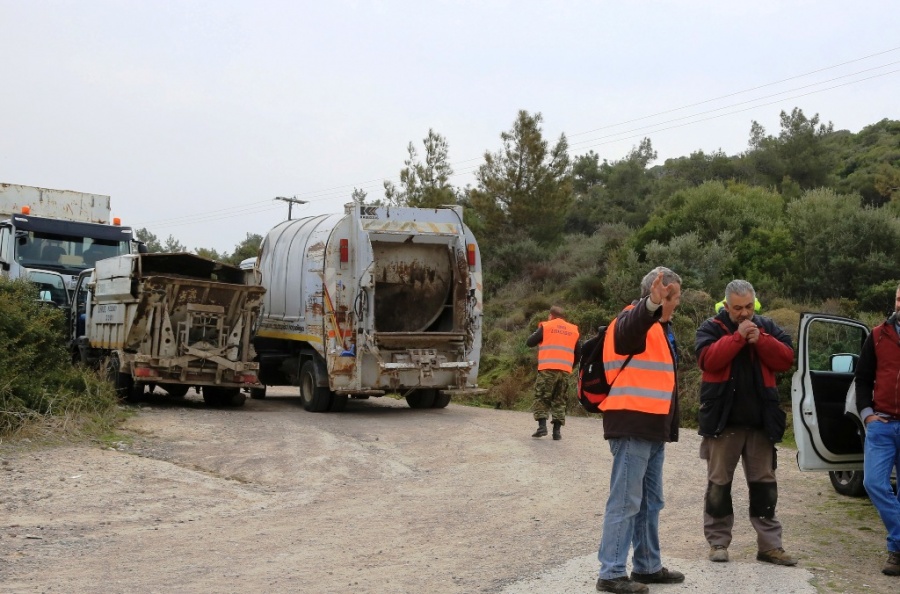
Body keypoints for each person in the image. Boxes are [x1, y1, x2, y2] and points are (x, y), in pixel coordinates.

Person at [596, 267, 685, 594]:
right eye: (672, 297)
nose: (676, 303)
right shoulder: (633, 319)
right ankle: (611, 572)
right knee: (625, 500)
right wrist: (651, 303)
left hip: (652, 427)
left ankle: (646, 566)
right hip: (632, 424)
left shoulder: (662, 328)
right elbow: (628, 333)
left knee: (650, 501)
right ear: (657, 294)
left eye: (675, 297)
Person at [695, 279, 796, 566]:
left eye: (749, 306)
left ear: (755, 303)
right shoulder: (711, 328)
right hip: (723, 424)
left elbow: (786, 358)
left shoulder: (767, 326)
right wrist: (738, 338)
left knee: (765, 486)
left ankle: (770, 547)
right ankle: (718, 543)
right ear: (726, 306)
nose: (745, 313)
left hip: (761, 424)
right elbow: (707, 360)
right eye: (738, 308)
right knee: (719, 486)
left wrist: (760, 340)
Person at [852, 282, 900, 577]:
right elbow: (862, 379)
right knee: (873, 483)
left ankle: (896, 551)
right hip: (881, 424)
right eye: (898, 298)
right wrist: (867, 414)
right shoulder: (878, 335)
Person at [526, 305, 580, 440]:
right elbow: (578, 353)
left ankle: (542, 427)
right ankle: (557, 432)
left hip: (548, 369)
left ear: (551, 315)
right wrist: (569, 366)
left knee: (542, 397)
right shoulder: (573, 330)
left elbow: (530, 342)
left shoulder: (547, 326)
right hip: (565, 371)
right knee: (560, 400)